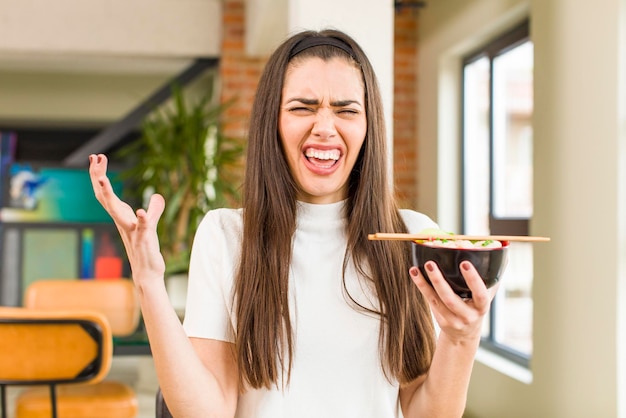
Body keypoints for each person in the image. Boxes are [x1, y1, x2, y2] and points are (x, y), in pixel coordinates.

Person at [89, 28, 497, 418]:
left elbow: (425, 412)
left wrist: (461, 339)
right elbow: (206, 411)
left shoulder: (415, 238)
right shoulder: (226, 236)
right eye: (302, 107)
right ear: (273, 123)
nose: (324, 127)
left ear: (368, 126)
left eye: (346, 110)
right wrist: (148, 280)